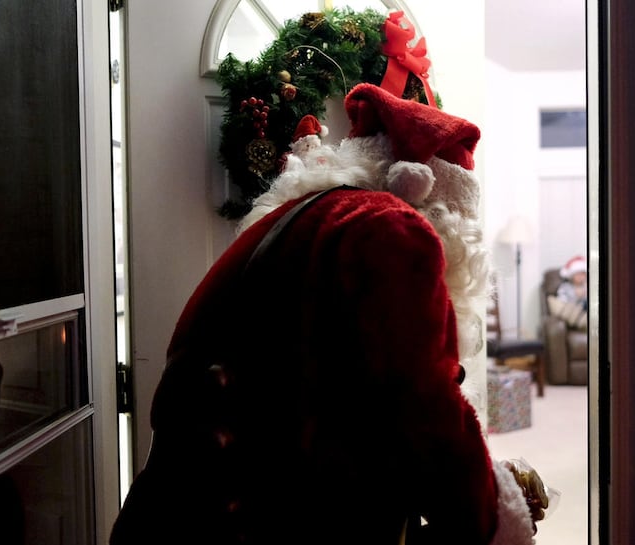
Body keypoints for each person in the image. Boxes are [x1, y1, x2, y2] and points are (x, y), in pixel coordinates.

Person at [110, 83, 545, 545]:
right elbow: (422, 410)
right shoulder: (390, 227)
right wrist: (492, 516)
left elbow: (353, 396)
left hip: (174, 511)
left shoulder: (305, 218)